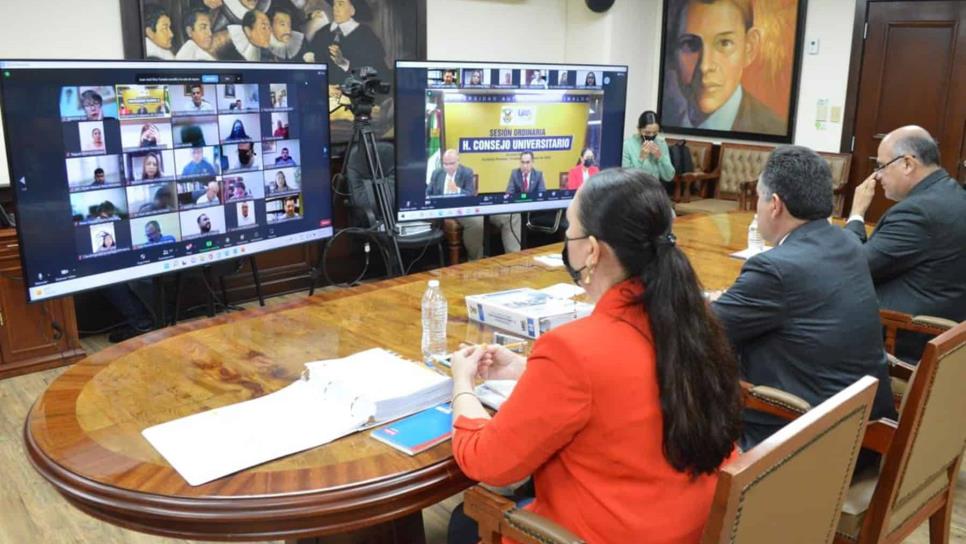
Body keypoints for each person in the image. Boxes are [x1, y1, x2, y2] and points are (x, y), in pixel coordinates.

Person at [447, 169, 742, 543]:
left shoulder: (574, 348)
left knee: (465, 519)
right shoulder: (689, 320)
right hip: (687, 524)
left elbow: (487, 462)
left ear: (592, 250)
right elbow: (626, 386)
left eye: (569, 229)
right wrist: (527, 369)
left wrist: (462, 383)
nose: (565, 240)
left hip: (609, 531)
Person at [711, 145, 896, 456]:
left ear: (775, 205)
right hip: (866, 432)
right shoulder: (847, 243)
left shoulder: (774, 268)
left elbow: (702, 330)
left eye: (758, 197)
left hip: (807, 445)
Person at [845, 125, 966, 361]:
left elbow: (853, 268)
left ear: (908, 164)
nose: (877, 175)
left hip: (902, 340)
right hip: (947, 334)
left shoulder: (917, 213)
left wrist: (856, 215)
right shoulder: (954, 195)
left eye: (881, 166)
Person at [664, 0, 784, 134]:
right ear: (671, 52)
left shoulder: (773, 129)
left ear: (749, 48)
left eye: (724, 43)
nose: (705, 66)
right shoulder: (661, 124)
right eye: (690, 44)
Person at [306, 0, 390, 83]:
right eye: (334, 4)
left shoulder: (366, 35)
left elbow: (377, 73)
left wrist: (343, 62)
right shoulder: (321, 33)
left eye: (340, 4)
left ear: (352, 10)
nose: (335, 9)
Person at [622, 111, 675, 192]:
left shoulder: (661, 143)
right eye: (647, 132)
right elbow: (628, 178)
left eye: (655, 132)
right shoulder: (627, 145)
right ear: (639, 129)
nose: (651, 135)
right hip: (634, 192)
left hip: (656, 191)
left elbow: (669, 176)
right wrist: (641, 158)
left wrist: (661, 157)